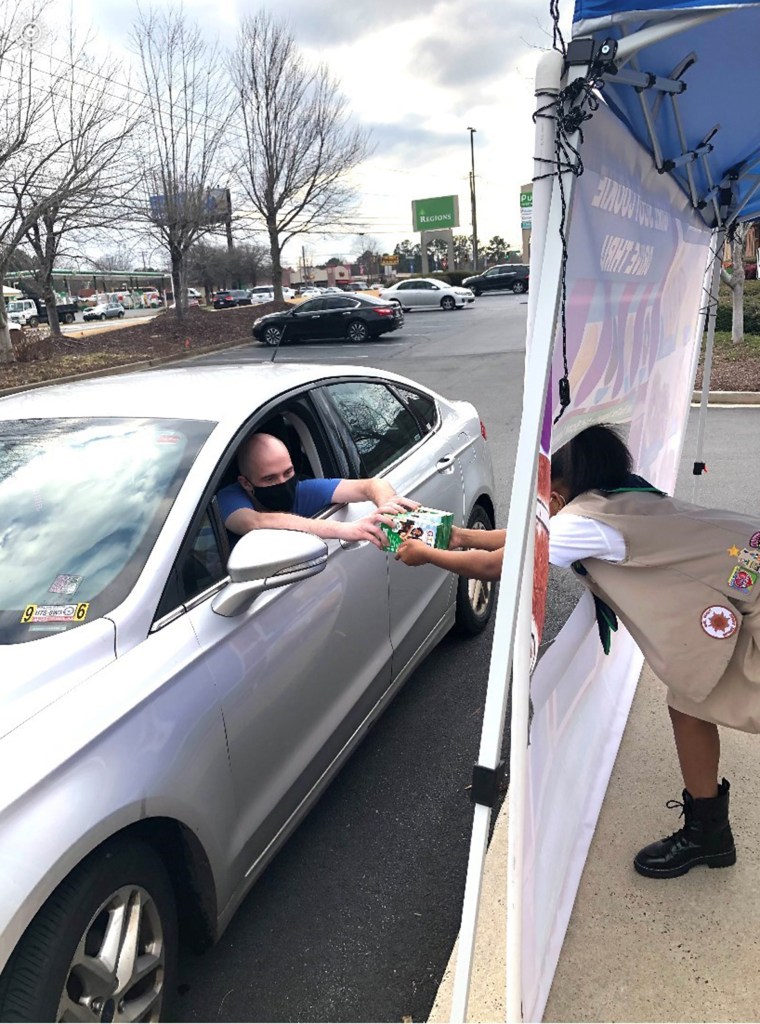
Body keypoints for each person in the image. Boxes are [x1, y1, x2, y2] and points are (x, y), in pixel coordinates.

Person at [396, 424, 760, 879]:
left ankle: (708, 833)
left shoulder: (583, 523)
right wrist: (461, 539)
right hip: (744, 568)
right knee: (689, 702)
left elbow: (503, 565)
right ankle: (709, 833)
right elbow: (531, 536)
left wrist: (426, 555)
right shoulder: (615, 497)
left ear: (558, 491)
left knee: (698, 702)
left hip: (750, 594)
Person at [217, 432, 416, 548]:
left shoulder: (303, 489)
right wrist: (343, 529)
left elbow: (372, 485)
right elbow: (255, 522)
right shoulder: (229, 498)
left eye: (288, 472)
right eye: (269, 478)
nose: (283, 483)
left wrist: (388, 504)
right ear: (246, 484)